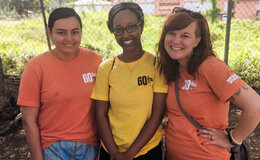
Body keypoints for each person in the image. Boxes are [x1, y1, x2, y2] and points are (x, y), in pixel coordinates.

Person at [156, 7, 260, 160]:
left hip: (207, 155)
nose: (176, 40)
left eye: (185, 35)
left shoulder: (210, 67)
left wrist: (233, 139)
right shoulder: (172, 67)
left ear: (197, 41)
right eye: (171, 33)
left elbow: (255, 106)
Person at [17, 7, 102, 160]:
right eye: (61, 32)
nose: (69, 38)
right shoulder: (35, 67)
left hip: (91, 146)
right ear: (50, 33)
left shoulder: (95, 60)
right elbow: (29, 121)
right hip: (52, 147)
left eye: (75, 32)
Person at [91, 2, 168, 160]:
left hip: (147, 149)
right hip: (111, 150)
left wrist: (129, 154)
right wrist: (114, 153)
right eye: (118, 30)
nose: (125, 35)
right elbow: (100, 114)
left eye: (131, 27)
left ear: (141, 26)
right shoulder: (106, 68)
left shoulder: (156, 65)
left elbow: (157, 114)